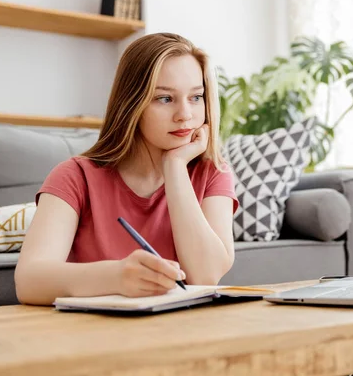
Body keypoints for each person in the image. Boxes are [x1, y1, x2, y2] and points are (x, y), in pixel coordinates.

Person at [14, 33, 239, 306]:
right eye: (165, 99)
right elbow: (29, 280)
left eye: (196, 97)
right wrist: (117, 276)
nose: (185, 114)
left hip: (184, 331)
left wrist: (176, 168)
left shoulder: (213, 172)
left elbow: (205, 275)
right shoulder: (74, 176)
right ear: (132, 103)